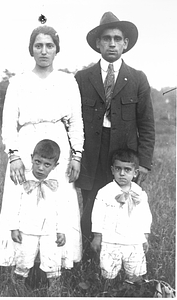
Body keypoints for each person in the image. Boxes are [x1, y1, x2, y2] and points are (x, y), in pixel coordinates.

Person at [0, 20, 84, 270]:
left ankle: (57, 261)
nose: (44, 51)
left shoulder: (68, 81)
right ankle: (20, 260)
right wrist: (14, 155)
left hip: (58, 146)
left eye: (49, 45)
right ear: (31, 49)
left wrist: (76, 155)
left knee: (59, 197)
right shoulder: (18, 82)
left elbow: (76, 122)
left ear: (57, 49)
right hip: (26, 144)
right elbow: (8, 123)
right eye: (38, 45)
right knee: (21, 195)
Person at [75, 12, 155, 248]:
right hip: (92, 154)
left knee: (123, 206)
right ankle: (89, 261)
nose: (112, 43)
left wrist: (144, 163)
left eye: (117, 39)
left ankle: (121, 259)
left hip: (124, 155)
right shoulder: (82, 78)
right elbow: (73, 121)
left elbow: (147, 125)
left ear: (125, 43)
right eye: (106, 38)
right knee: (91, 204)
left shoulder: (138, 79)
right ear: (98, 43)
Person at [0, 139, 66, 285]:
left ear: (55, 165)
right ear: (31, 157)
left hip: (50, 232)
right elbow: (13, 206)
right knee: (23, 262)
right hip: (26, 231)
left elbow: (62, 209)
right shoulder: (22, 180)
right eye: (37, 161)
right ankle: (18, 288)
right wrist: (14, 228)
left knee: (52, 263)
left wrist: (61, 230)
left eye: (47, 165)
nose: (40, 168)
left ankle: (55, 291)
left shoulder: (57, 183)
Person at [91, 149, 152, 283]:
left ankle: (134, 292)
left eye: (127, 170)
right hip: (110, 241)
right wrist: (97, 236)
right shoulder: (105, 192)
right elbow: (97, 215)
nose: (122, 173)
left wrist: (145, 236)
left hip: (133, 241)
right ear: (112, 170)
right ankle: (109, 292)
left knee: (135, 274)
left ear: (135, 173)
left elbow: (145, 216)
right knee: (108, 273)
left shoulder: (139, 193)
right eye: (118, 169)